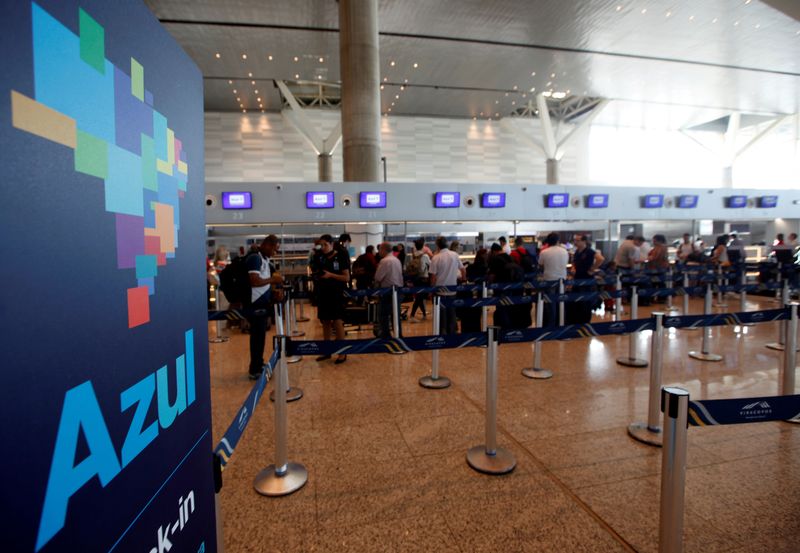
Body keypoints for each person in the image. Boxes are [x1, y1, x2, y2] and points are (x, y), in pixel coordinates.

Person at [246, 235, 284, 380]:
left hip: (262, 304)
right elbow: (254, 281)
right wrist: (273, 280)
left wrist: (272, 291)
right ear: (268, 245)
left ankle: (258, 363)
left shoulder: (264, 260)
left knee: (260, 336)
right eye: (275, 249)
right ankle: (254, 369)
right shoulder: (255, 259)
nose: (275, 252)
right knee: (257, 337)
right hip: (255, 304)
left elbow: (263, 283)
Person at [313, 234, 350, 364]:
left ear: (332, 244)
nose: (323, 247)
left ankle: (342, 352)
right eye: (321, 245)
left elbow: (346, 278)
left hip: (336, 293)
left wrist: (331, 275)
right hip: (323, 293)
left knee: (337, 321)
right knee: (325, 322)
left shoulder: (341, 256)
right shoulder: (319, 257)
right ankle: (326, 350)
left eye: (325, 245)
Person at [429, 236, 465, 334]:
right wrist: (463, 279)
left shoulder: (436, 258)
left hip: (440, 291)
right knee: (452, 312)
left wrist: (432, 290)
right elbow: (463, 269)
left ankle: (443, 332)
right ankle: (452, 331)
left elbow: (433, 276)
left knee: (441, 313)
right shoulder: (454, 255)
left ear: (437, 245)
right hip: (453, 289)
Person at [569, 235, 604, 324]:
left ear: (584, 241)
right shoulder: (577, 252)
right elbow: (574, 263)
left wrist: (592, 269)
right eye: (575, 240)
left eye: (578, 240)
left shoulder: (589, 251)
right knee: (577, 300)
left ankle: (585, 320)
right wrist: (573, 269)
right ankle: (577, 319)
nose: (576, 242)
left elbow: (600, 259)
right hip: (577, 278)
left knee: (586, 301)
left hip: (586, 278)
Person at [374, 241, 404, 338]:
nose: (378, 252)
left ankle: (386, 335)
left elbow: (378, 277)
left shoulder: (384, 261)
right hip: (398, 290)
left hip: (387, 292)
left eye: (379, 249)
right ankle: (398, 334)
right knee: (396, 315)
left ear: (383, 250)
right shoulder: (396, 260)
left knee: (384, 315)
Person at [538, 232, 569, 327]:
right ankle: (561, 323)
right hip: (562, 280)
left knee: (550, 304)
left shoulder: (544, 252)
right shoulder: (564, 251)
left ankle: (551, 325)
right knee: (561, 302)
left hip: (549, 279)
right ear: (557, 241)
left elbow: (541, 265)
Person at [408, 238, 431, 321]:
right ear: (422, 246)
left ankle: (424, 314)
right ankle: (412, 315)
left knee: (419, 297)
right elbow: (430, 265)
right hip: (423, 278)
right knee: (419, 298)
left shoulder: (414, 255)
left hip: (415, 278)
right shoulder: (425, 256)